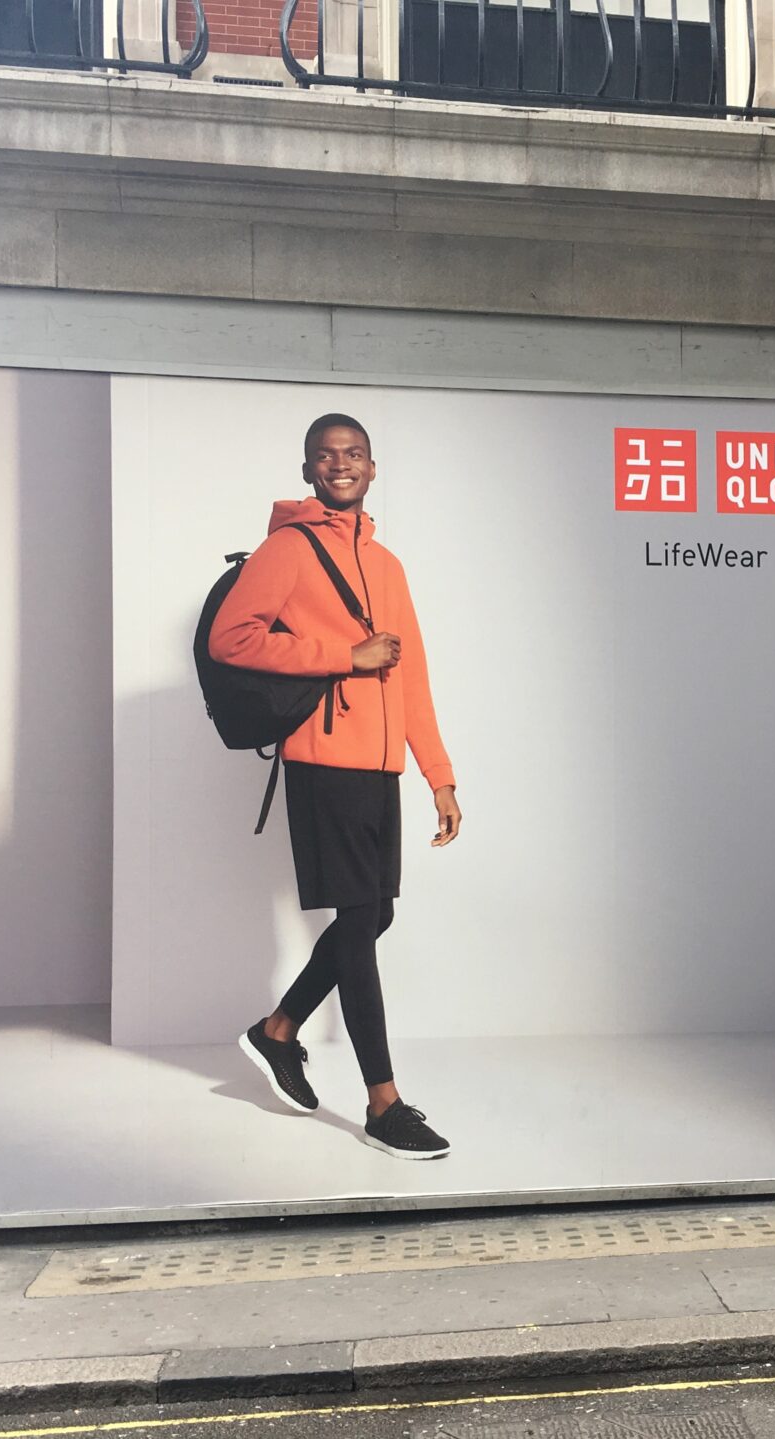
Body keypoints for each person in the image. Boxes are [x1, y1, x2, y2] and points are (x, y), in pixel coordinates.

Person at [209, 413, 463, 1160]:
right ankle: (383, 1103)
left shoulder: (387, 565)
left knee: (371, 916)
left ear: (373, 468)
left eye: (353, 454)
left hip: (379, 765)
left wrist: (438, 776)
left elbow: (410, 676)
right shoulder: (288, 549)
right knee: (361, 918)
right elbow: (234, 637)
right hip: (323, 758)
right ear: (308, 470)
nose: (340, 464)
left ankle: (277, 1030)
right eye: (326, 455)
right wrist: (342, 655)